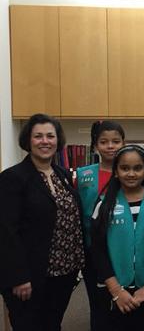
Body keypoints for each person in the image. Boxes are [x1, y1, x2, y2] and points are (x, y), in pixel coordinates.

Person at [0, 113, 85, 331]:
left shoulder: (62, 174)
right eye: (38, 136)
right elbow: (6, 231)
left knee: (52, 324)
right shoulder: (13, 178)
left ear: (58, 141)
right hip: (30, 275)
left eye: (50, 136)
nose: (45, 141)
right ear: (28, 140)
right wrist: (18, 277)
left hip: (63, 273)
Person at [91, 145, 144, 331]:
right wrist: (116, 291)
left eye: (137, 168)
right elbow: (97, 250)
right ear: (116, 172)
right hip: (113, 288)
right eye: (125, 168)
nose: (131, 173)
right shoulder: (104, 205)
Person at [76, 120, 125, 331]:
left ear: (123, 143)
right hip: (92, 250)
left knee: (124, 300)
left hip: (123, 248)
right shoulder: (83, 175)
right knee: (98, 303)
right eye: (104, 142)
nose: (110, 146)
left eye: (116, 141)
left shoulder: (132, 172)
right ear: (95, 146)